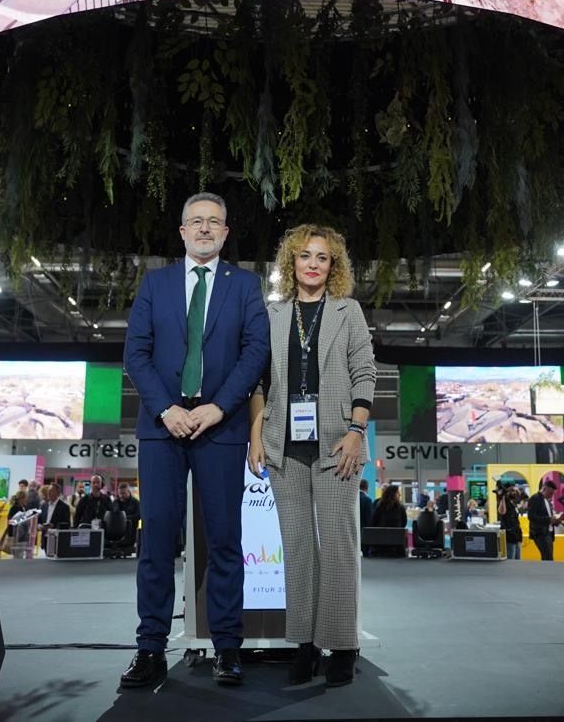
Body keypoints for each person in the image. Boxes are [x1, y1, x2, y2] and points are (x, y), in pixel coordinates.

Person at [121, 191, 270, 690]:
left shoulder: (246, 286)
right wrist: (167, 409)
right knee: (157, 542)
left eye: (215, 222)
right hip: (161, 430)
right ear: (181, 231)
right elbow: (136, 353)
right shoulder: (155, 283)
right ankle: (150, 649)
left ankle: (228, 648)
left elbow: (255, 355)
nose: (205, 228)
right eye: (196, 221)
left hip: (221, 428)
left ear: (226, 233)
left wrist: (216, 407)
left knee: (226, 541)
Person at [248, 223, 377, 689]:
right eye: (305, 256)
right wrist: (255, 435)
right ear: (292, 262)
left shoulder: (349, 311)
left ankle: (343, 644)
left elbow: (365, 372)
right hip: (284, 445)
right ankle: (304, 643)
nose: (313, 264)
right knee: (298, 549)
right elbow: (258, 382)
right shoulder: (273, 313)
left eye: (322, 257)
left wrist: (357, 430)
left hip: (337, 445)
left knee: (339, 549)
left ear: (333, 266)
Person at [526, 480, 559, 561]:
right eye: (550, 493)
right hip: (540, 534)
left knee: (548, 557)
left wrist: (555, 521)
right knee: (547, 558)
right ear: (544, 489)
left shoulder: (546, 500)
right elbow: (531, 516)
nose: (551, 495)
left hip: (548, 533)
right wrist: (549, 519)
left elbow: (546, 516)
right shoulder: (535, 498)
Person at [499, 485, 524, 559]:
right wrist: (502, 497)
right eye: (512, 491)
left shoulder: (513, 504)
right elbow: (502, 512)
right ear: (507, 492)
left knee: (518, 558)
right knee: (511, 558)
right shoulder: (505, 502)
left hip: (516, 535)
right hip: (509, 535)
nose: (515, 492)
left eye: (515, 491)